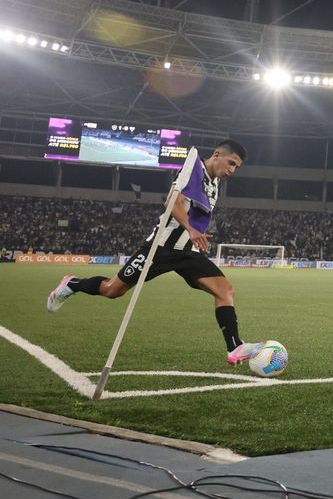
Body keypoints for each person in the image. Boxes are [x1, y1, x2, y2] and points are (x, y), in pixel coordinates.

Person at [45, 141, 263, 366]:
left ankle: (235, 346)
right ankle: (72, 284)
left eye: (236, 167)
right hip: (159, 248)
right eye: (231, 163)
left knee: (225, 290)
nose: (232, 170)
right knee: (112, 290)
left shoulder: (215, 184)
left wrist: (194, 233)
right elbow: (172, 201)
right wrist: (191, 229)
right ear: (217, 155)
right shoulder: (192, 169)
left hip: (188, 252)